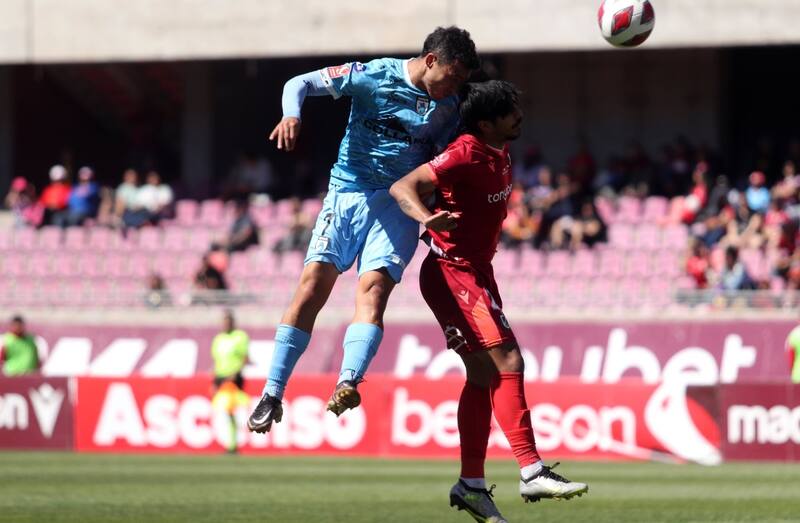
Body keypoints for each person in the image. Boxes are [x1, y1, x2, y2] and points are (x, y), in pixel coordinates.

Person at [247, 26, 480, 433]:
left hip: (398, 205)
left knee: (373, 290)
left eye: (462, 80)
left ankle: (348, 381)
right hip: (347, 195)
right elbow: (299, 83)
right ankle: (272, 392)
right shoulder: (372, 75)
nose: (456, 86)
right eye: (454, 75)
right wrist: (291, 114)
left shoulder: (450, 107)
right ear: (430, 61)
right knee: (311, 286)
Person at [390, 80, 587, 522]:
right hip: (450, 272)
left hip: (476, 272)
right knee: (509, 360)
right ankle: (532, 470)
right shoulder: (463, 151)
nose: (519, 116)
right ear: (486, 123)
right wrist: (428, 216)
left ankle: (471, 484)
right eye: (509, 111)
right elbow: (402, 187)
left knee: (481, 375)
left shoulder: (501, 149)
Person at [210, 310, 251, 453]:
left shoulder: (240, 337)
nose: (225, 325)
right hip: (221, 378)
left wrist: (236, 373)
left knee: (230, 409)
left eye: (228, 322)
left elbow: (245, 358)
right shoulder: (218, 339)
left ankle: (233, 444)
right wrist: (214, 381)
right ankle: (232, 443)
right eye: (224, 322)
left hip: (234, 378)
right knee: (226, 411)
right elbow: (217, 361)